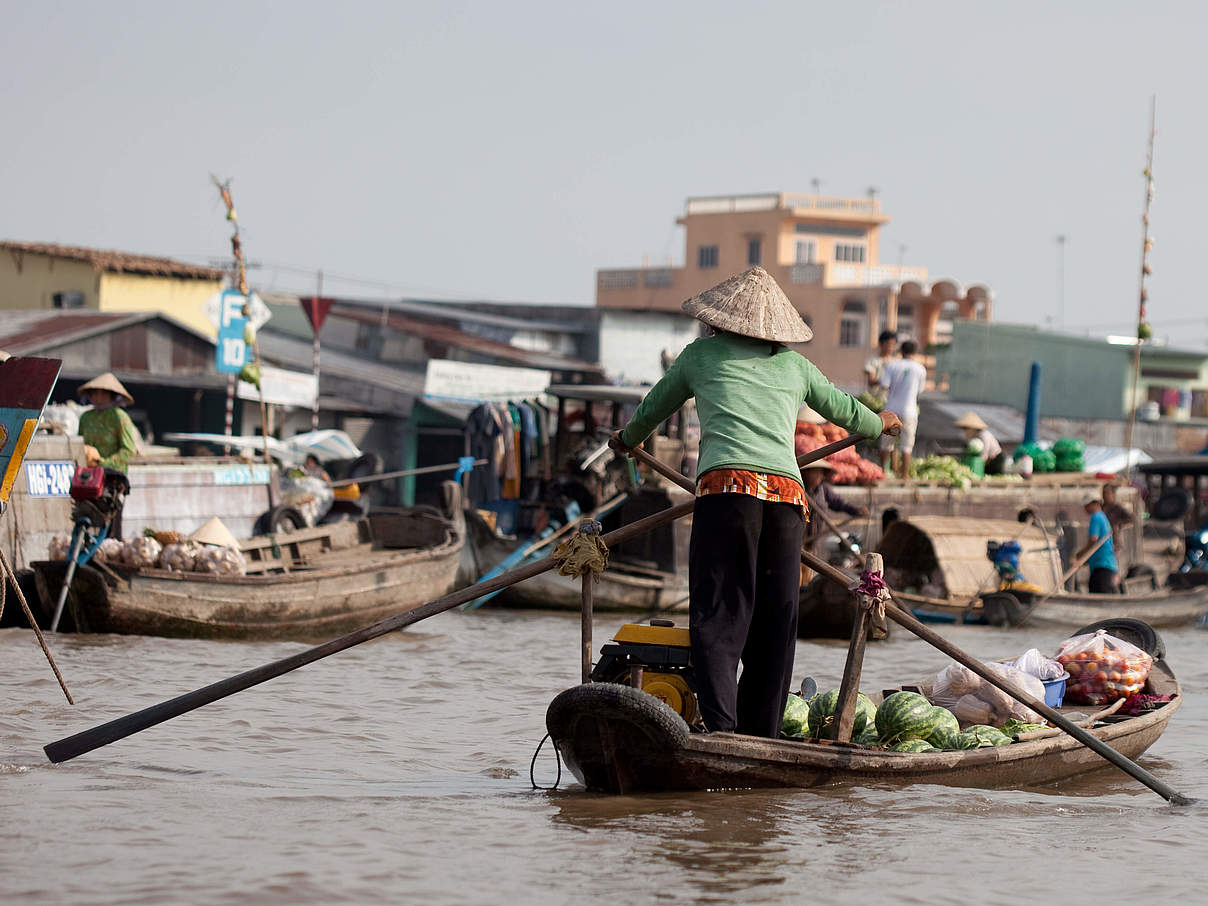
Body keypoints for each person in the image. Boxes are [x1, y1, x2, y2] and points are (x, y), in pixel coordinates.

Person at [608, 266, 901, 738]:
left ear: (716, 322)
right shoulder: (795, 366)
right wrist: (881, 421)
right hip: (787, 500)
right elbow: (853, 416)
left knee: (721, 616)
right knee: (775, 624)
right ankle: (759, 736)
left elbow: (648, 415)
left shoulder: (699, 357)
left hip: (726, 495)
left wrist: (625, 440)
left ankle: (723, 731)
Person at [878, 339, 927, 477]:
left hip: (891, 409)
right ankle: (904, 476)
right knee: (907, 445)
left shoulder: (893, 366)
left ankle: (883, 473)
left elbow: (884, 385)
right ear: (915, 352)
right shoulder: (920, 369)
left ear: (901, 351)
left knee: (886, 444)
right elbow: (919, 391)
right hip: (909, 411)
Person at [77, 372, 138, 473]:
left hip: (113, 475)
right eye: (95, 393)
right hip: (88, 473)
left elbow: (129, 450)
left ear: (112, 395)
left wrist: (104, 463)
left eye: (103, 393)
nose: (98, 397)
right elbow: (80, 445)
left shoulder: (119, 417)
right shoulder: (86, 417)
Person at [1077, 496, 1118, 593]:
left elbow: (1093, 539)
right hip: (1105, 566)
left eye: (1087, 506)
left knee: (1099, 596)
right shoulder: (1103, 517)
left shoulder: (1096, 517)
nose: (1085, 509)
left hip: (1102, 566)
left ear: (1094, 504)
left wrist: (1081, 554)